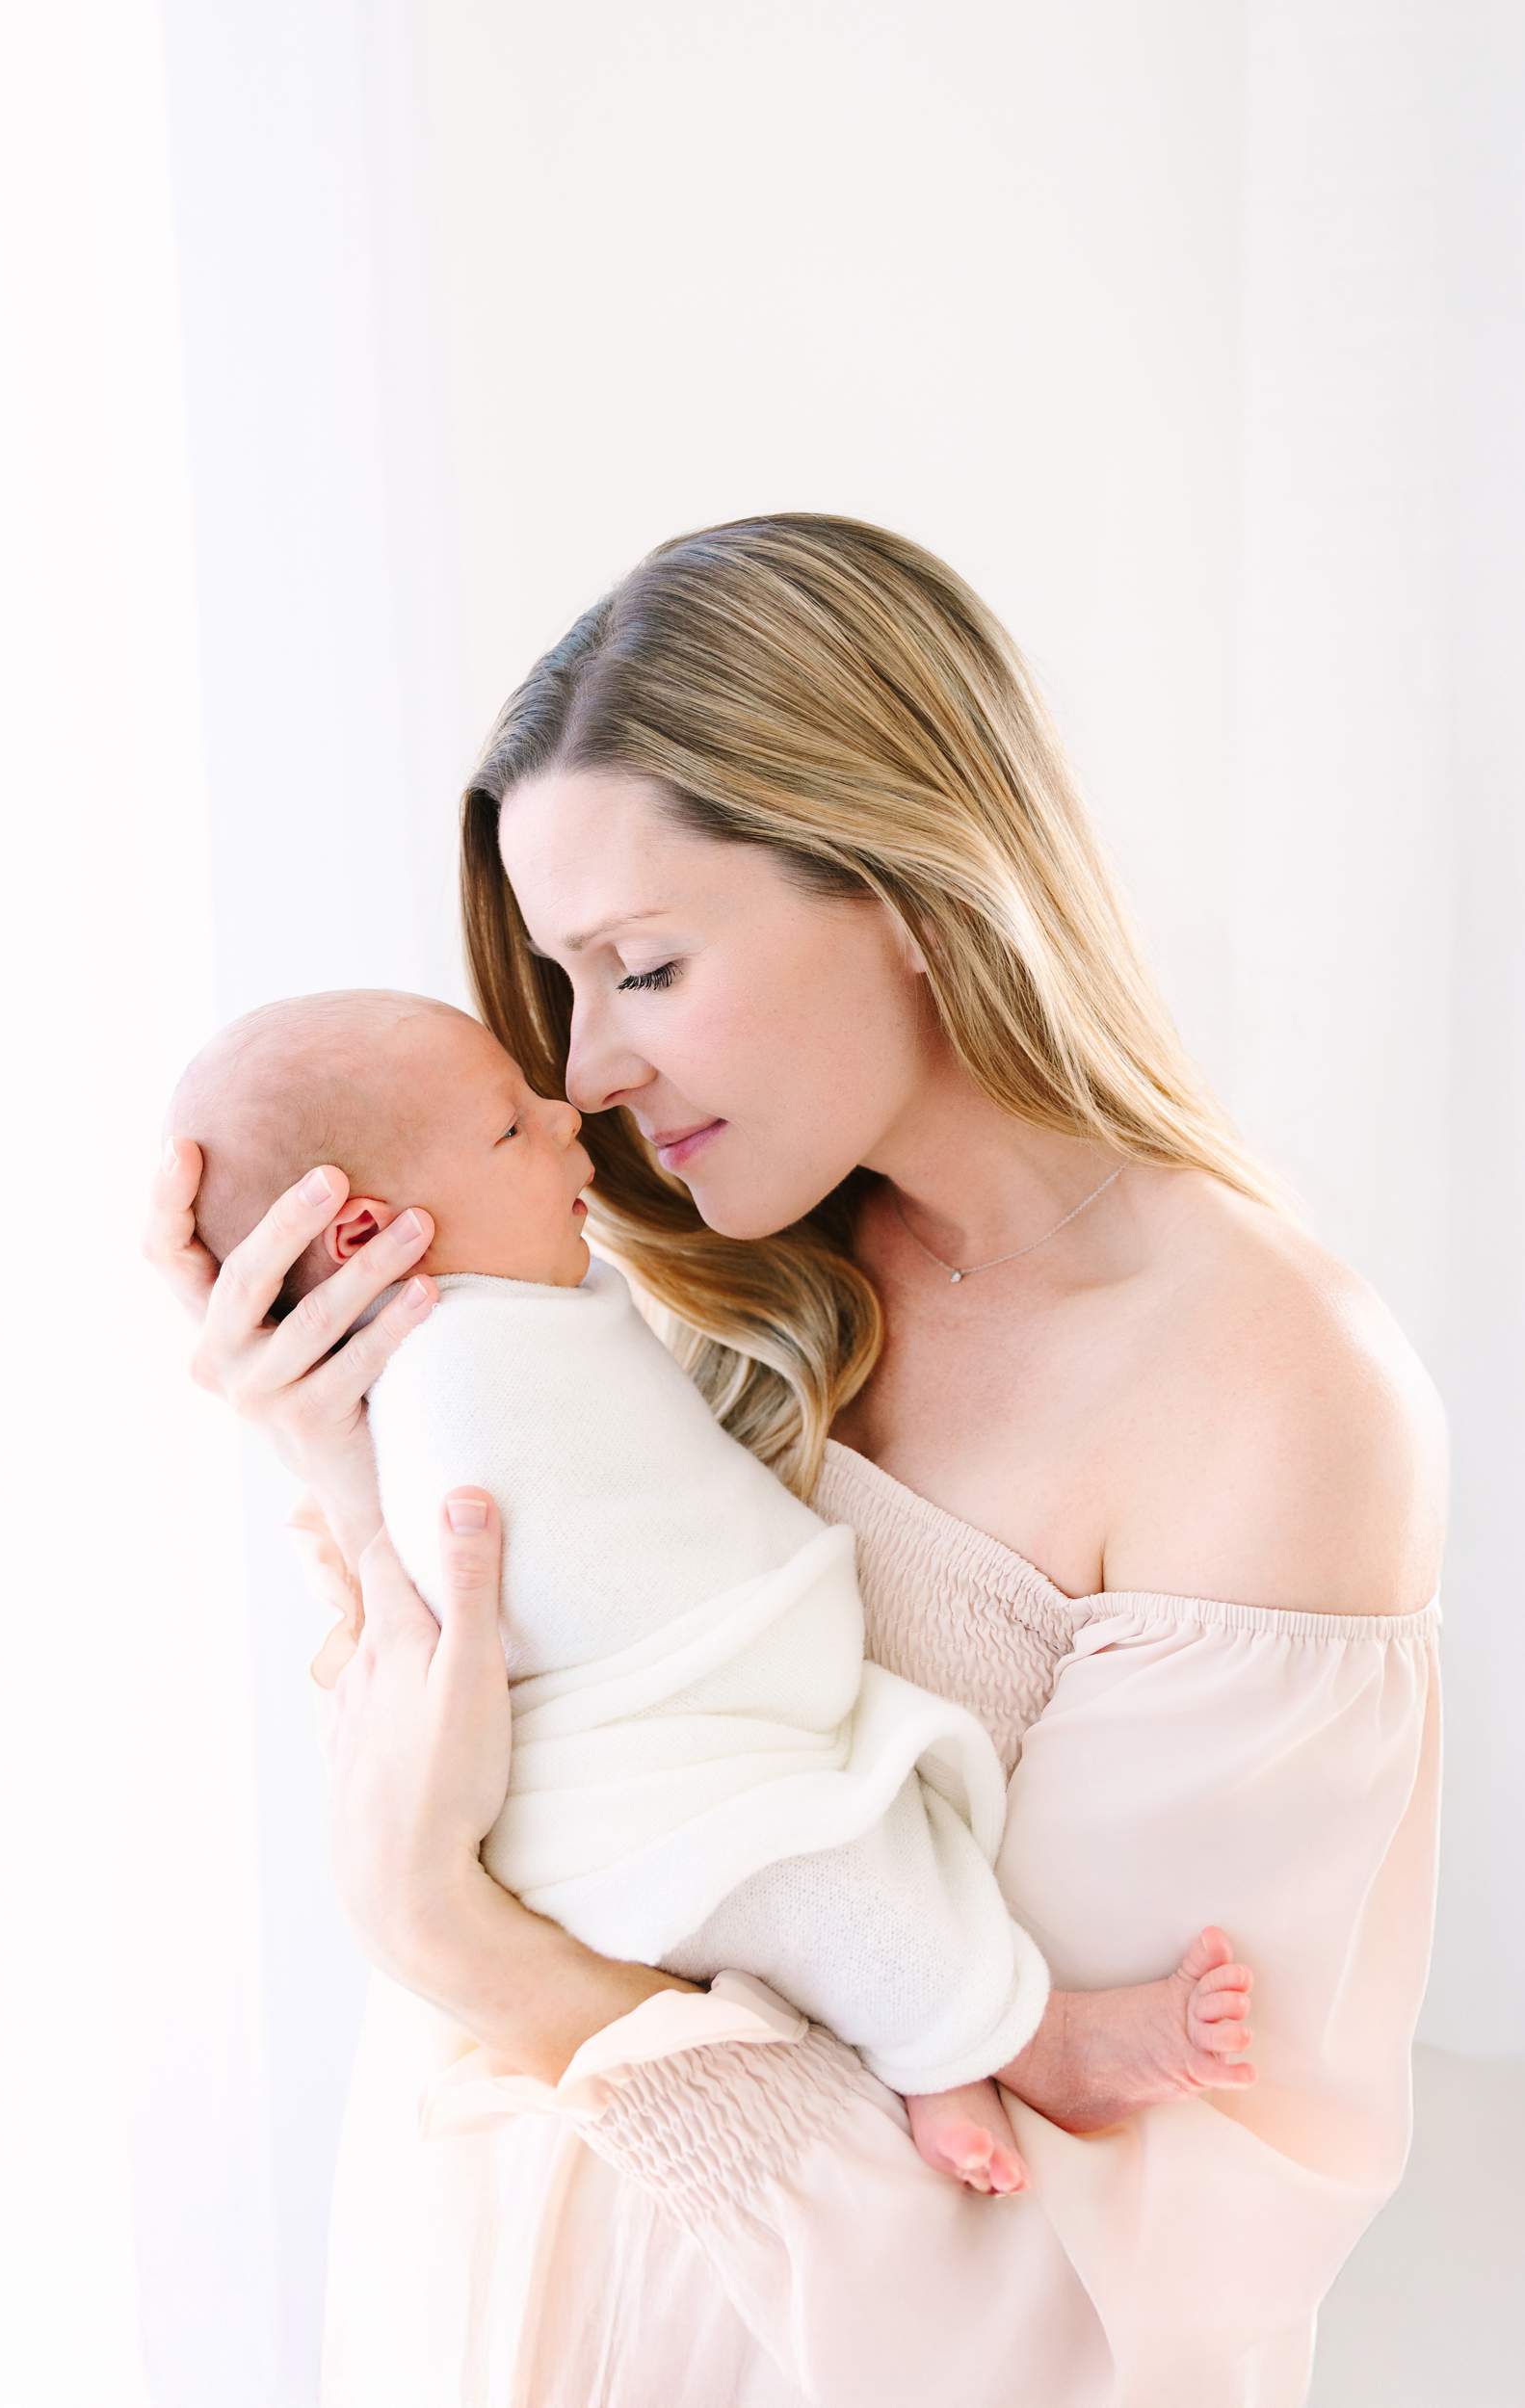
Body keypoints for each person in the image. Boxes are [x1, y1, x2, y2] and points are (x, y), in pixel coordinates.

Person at [145, 511, 1446, 2408]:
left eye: (642, 965)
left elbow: (1104, 2299)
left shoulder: (1266, 1395)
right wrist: (340, 1455)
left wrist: (465, 1946)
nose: (580, 1073)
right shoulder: (697, 1285)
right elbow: (561, 1753)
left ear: (907, 883)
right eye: (558, 983)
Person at [165, 985, 1260, 2200]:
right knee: (818, 1879)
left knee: (869, 1843)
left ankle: (936, 2061)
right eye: (510, 1131)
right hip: (616, 1786)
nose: (569, 1108)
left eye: (645, 968)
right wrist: (331, 1458)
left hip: (705, 1745)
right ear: (369, 1237)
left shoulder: (540, 1306)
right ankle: (1037, 2044)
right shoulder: (446, 1373)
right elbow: (467, 1597)